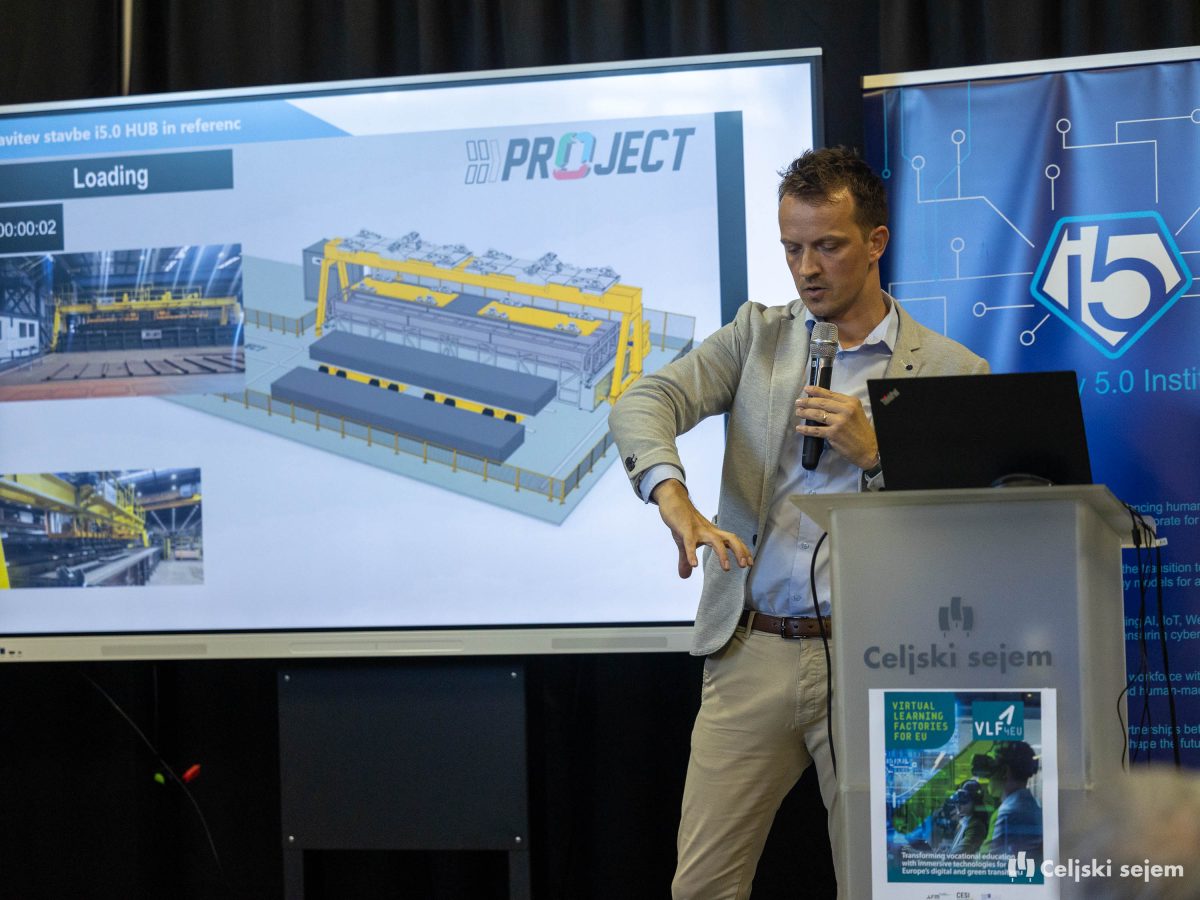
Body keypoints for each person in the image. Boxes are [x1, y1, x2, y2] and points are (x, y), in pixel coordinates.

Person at [608, 145, 989, 900]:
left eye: (828, 247)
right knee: (701, 886)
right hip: (752, 648)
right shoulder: (759, 336)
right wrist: (673, 498)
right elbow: (645, 401)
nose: (806, 269)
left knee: (884, 883)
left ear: (876, 242)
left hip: (880, 660)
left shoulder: (952, 371)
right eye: (792, 248)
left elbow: (964, 533)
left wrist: (876, 455)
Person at [981, 741, 1043, 860]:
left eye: (991, 769)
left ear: (1004, 771)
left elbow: (984, 863)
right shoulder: (1033, 808)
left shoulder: (1006, 813)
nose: (987, 777)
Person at [946, 780, 989, 855]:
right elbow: (956, 848)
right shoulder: (963, 822)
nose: (958, 806)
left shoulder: (976, 826)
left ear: (975, 802)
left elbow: (959, 853)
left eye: (963, 801)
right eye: (958, 801)